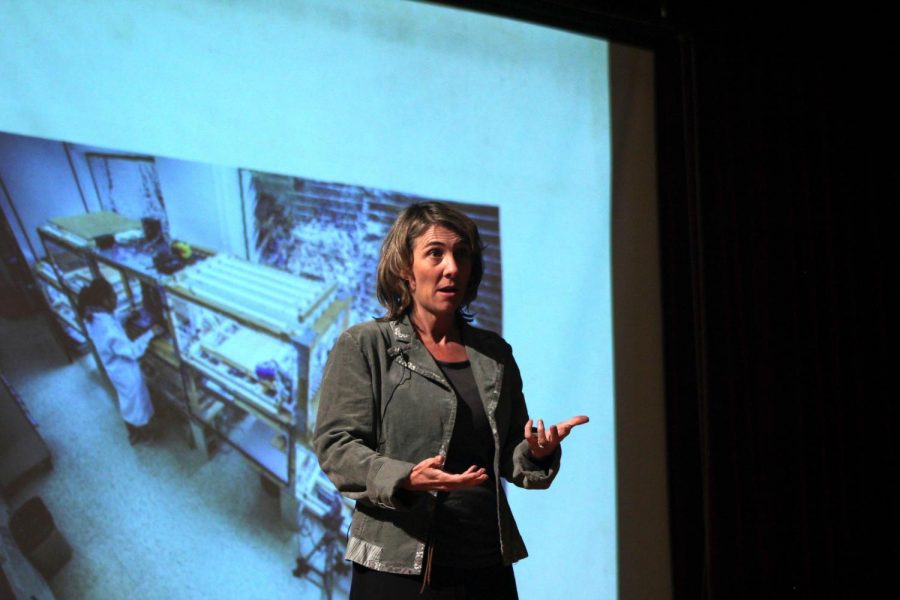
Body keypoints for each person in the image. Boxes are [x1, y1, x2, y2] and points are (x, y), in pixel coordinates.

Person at [314, 202, 589, 599]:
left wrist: (536, 453)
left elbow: (510, 452)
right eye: (435, 253)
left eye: (462, 254)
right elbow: (336, 447)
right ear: (405, 269)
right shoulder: (366, 345)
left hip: (485, 562)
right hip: (398, 564)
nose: (452, 268)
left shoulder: (494, 354)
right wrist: (405, 476)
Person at [76, 277, 160, 446]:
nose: (116, 299)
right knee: (137, 402)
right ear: (105, 301)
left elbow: (111, 320)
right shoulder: (106, 328)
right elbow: (132, 351)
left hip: (114, 369)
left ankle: (133, 432)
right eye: (113, 296)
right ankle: (146, 434)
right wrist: (151, 332)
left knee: (127, 400)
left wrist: (127, 315)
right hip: (125, 370)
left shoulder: (95, 316)